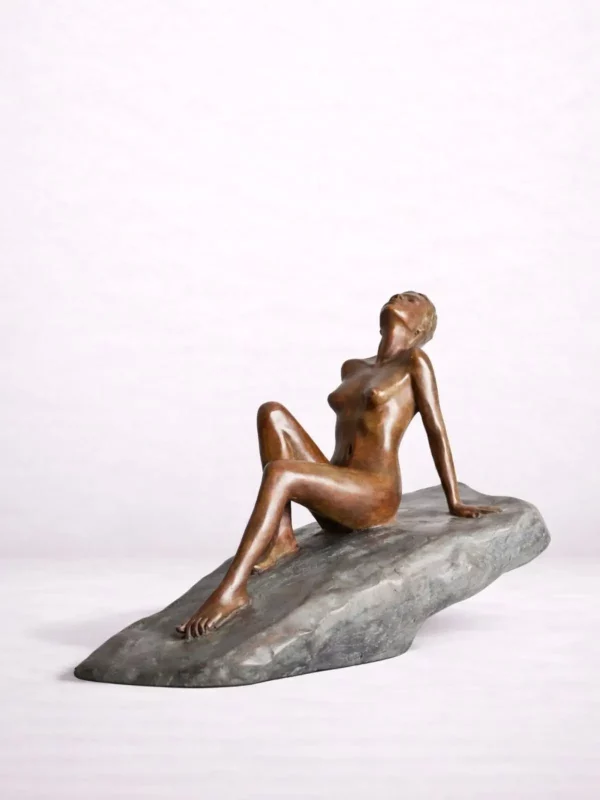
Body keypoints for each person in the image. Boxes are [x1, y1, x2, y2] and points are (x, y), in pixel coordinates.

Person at [176, 292, 499, 638]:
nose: (401, 297)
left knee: (281, 473)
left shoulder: (415, 362)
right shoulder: (353, 367)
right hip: (338, 488)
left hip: (373, 494)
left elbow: (436, 430)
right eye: (400, 295)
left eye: (413, 299)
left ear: (421, 327)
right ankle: (282, 538)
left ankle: (232, 591)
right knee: (272, 413)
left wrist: (454, 500)